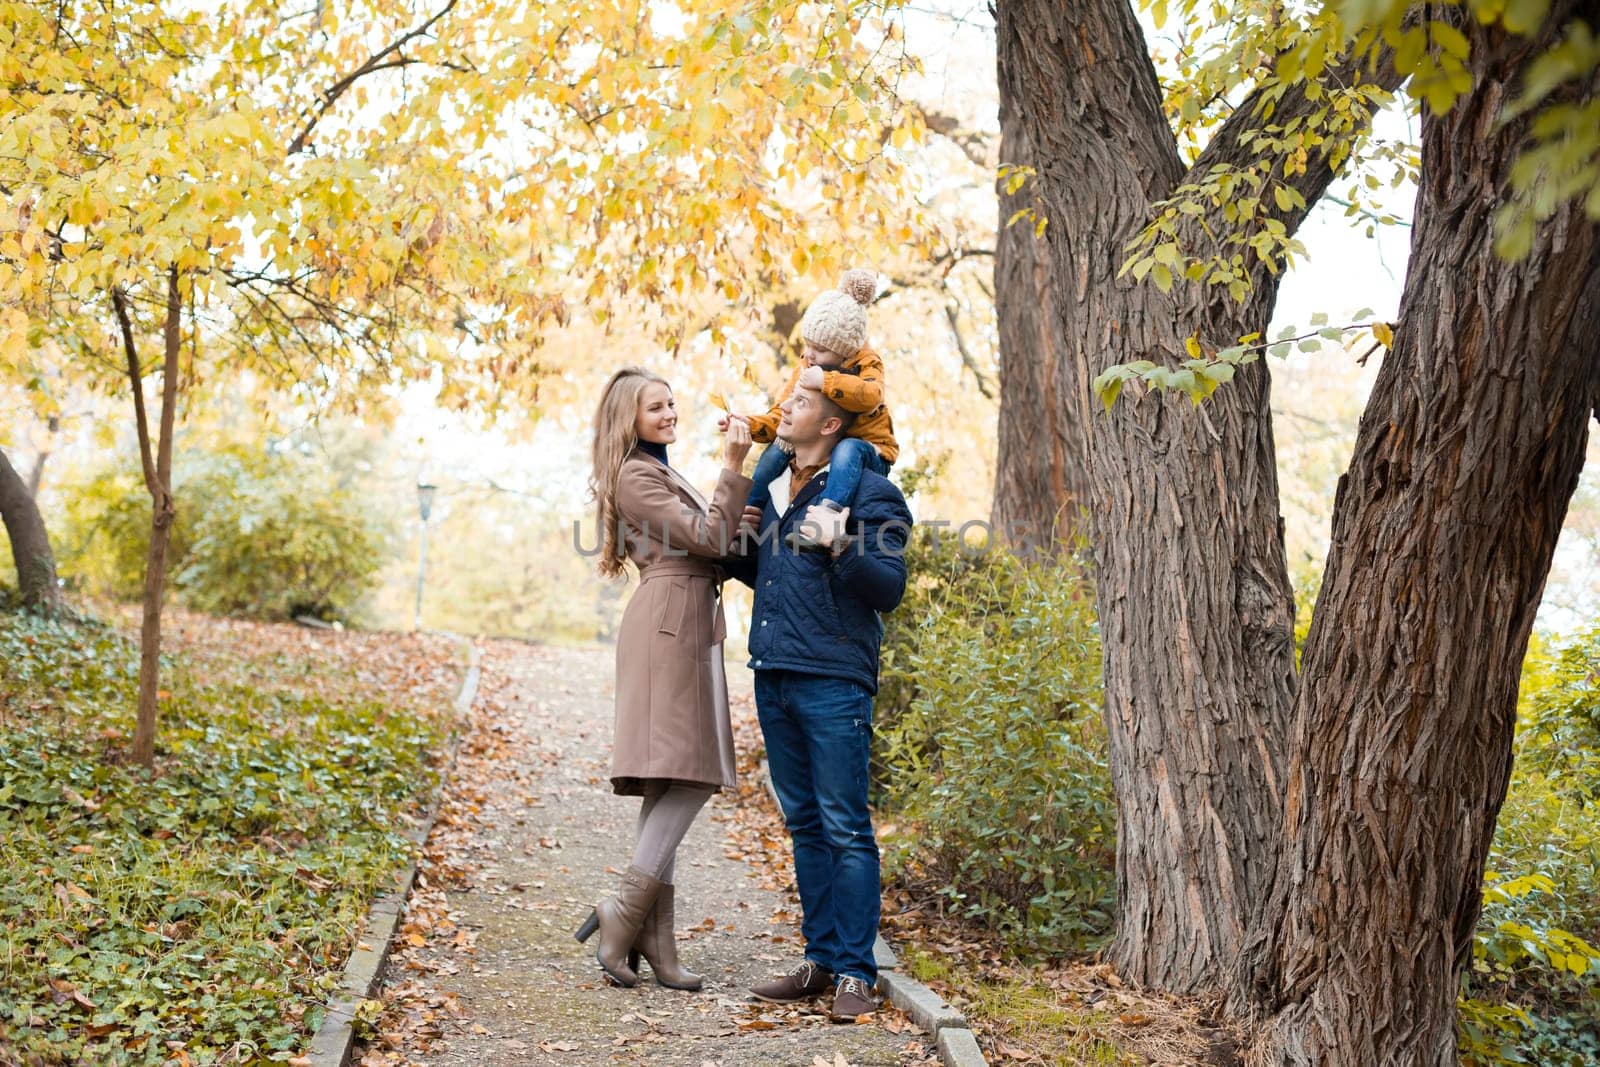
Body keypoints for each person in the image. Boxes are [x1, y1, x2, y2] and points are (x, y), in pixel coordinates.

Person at [723, 379, 913, 1022]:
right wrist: (742, 538)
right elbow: (765, 574)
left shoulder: (869, 490)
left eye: (800, 405)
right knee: (804, 824)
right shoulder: (776, 485)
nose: (785, 411)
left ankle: (857, 974)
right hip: (772, 671)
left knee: (845, 828)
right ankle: (821, 959)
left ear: (831, 425)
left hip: (833, 679)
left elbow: (887, 588)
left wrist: (841, 544)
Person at [575, 366, 754, 991]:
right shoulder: (635, 475)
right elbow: (709, 536)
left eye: (672, 403)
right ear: (631, 418)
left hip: (684, 617)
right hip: (669, 622)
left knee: (671, 776)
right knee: (694, 772)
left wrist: (743, 507)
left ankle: (656, 938)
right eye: (657, 407)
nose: (670, 414)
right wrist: (735, 463)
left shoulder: (660, 471)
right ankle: (622, 912)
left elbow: (721, 537)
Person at [724, 269, 899, 549]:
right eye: (807, 344)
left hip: (869, 449)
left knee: (848, 449)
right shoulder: (808, 363)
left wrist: (827, 380)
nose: (809, 354)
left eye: (819, 348)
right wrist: (751, 424)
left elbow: (871, 396)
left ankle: (826, 516)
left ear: (845, 350)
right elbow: (783, 412)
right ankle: (746, 521)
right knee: (774, 453)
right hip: (827, 443)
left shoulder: (867, 361)